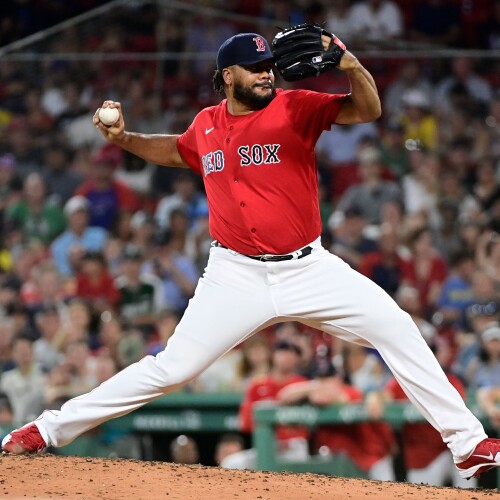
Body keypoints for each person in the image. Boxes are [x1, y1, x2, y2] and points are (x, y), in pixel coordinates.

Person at [3, 30, 500, 480]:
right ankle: (46, 430)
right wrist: (125, 139)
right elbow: (175, 150)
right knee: (170, 368)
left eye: (269, 66)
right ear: (227, 76)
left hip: (308, 267)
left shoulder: (295, 106)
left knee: (397, 328)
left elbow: (366, 110)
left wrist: (349, 63)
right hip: (234, 274)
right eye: (256, 67)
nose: (267, 73)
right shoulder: (206, 124)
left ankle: (467, 443)